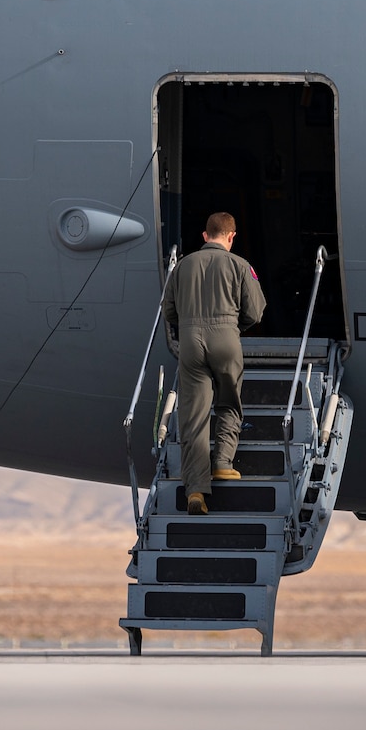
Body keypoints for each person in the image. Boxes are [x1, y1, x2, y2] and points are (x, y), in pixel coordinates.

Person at [164, 212, 266, 515]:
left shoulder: (182, 266)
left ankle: (195, 489)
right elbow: (256, 312)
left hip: (190, 340)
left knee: (193, 416)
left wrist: (188, 326)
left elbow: (169, 311)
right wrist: (234, 326)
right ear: (231, 237)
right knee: (229, 402)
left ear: (205, 235)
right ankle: (222, 463)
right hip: (225, 338)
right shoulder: (240, 266)